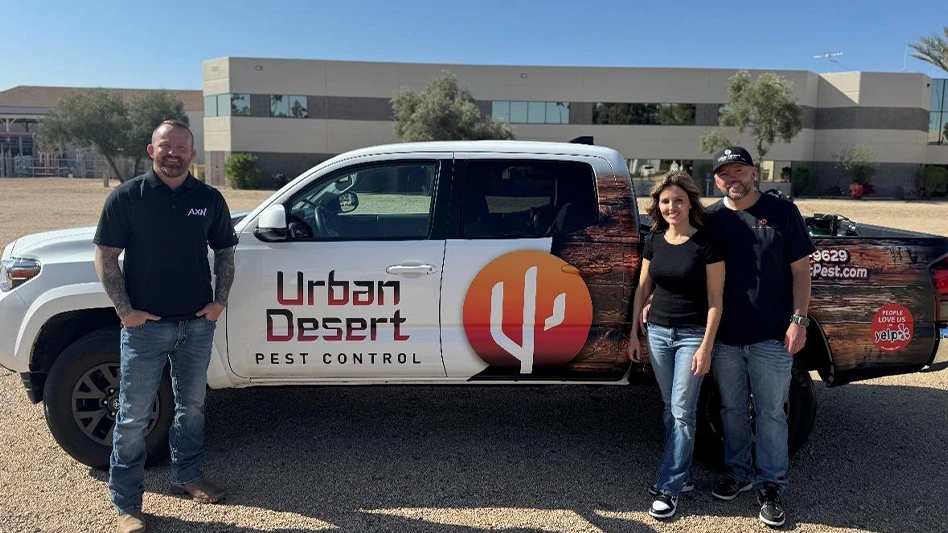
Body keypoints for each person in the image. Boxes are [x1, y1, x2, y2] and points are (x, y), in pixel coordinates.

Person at [93, 119, 239, 533]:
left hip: (196, 325)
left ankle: (188, 476)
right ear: (151, 150)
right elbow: (106, 255)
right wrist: (125, 311)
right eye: (165, 145)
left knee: (192, 407)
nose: (173, 153)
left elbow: (225, 252)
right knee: (133, 417)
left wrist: (219, 302)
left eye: (180, 147)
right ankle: (127, 506)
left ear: (192, 154)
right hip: (145, 330)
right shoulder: (127, 197)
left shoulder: (208, 198)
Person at [703, 146, 816, 528]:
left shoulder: (782, 213)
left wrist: (799, 320)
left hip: (772, 335)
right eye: (724, 173)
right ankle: (739, 473)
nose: (732, 178)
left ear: (754, 173)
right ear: (716, 180)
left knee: (770, 413)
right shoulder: (711, 219)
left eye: (739, 170)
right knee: (731, 409)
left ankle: (771, 485)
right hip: (725, 337)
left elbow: (801, 272)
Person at [629, 171, 725, 520]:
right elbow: (643, 288)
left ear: (690, 203)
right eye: (666, 201)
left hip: (692, 336)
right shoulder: (654, 239)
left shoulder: (707, 243)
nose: (672, 207)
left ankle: (668, 488)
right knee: (671, 407)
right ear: (658, 205)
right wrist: (634, 333)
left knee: (683, 410)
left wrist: (706, 346)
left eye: (679, 200)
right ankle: (682, 475)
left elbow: (716, 300)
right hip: (657, 333)